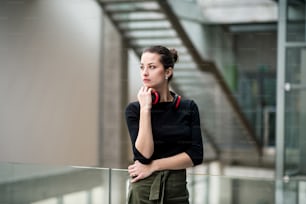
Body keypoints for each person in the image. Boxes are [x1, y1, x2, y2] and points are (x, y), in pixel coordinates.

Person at [125, 45, 203, 204]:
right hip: (143, 188)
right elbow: (144, 156)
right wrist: (145, 109)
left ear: (168, 72)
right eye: (142, 67)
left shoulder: (188, 107)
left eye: (152, 67)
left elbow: (196, 155)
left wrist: (154, 166)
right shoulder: (134, 110)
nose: (145, 73)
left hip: (177, 190)